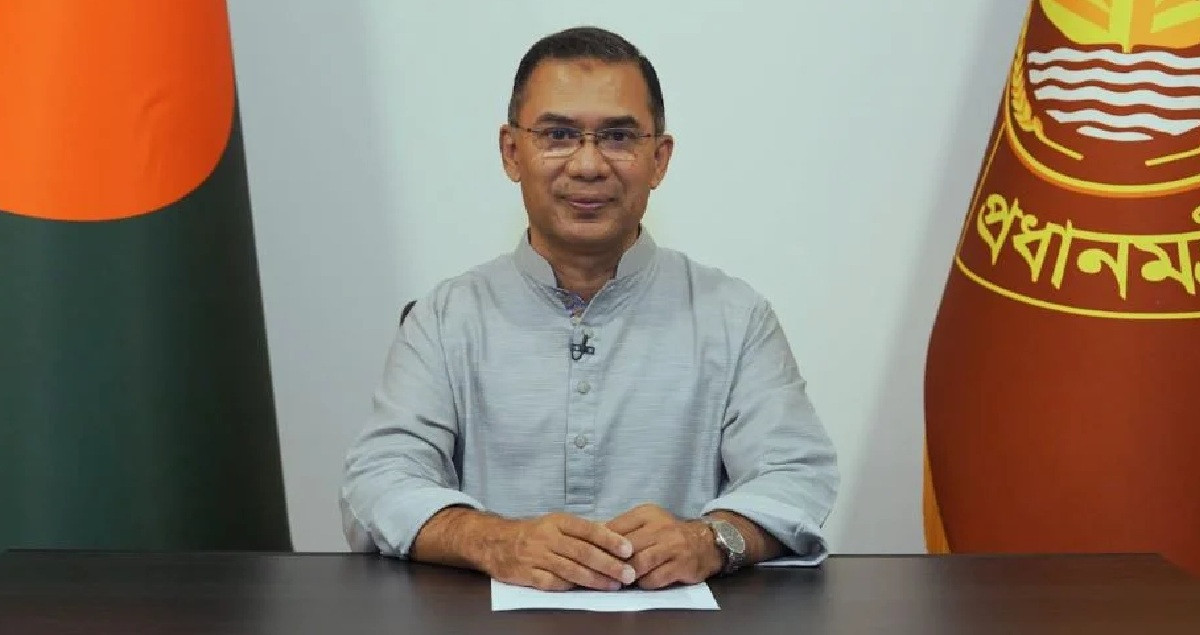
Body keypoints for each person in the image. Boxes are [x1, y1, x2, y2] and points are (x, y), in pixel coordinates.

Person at [339, 25, 839, 592]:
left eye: (618, 137)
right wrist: (494, 541)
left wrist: (711, 540)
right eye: (557, 135)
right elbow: (377, 481)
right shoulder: (445, 318)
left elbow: (797, 473)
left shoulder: (733, 316)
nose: (587, 165)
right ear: (511, 152)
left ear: (659, 159)